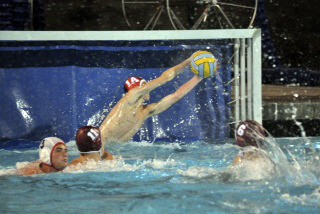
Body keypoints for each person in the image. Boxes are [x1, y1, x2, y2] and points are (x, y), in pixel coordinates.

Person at [99, 53, 205, 146]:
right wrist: (188, 61)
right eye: (145, 84)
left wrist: (199, 77)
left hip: (110, 151)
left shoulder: (145, 112)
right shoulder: (132, 95)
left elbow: (176, 96)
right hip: (96, 146)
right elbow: (166, 78)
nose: (149, 88)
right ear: (140, 87)